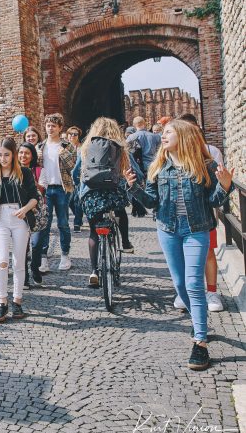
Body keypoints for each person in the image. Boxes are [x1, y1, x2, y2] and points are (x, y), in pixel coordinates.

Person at [125, 120, 234, 370]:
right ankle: (200, 322)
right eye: (162, 133)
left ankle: (200, 342)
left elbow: (213, 201)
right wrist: (134, 187)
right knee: (179, 284)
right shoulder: (159, 166)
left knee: (195, 283)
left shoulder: (204, 165)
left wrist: (225, 185)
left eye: (168, 132)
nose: (163, 137)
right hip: (168, 230)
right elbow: (152, 202)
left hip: (196, 230)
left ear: (183, 136)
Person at [0, 138, 39, 322]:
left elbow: (34, 197)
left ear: (13, 155)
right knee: (2, 261)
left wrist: (25, 209)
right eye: (0, 155)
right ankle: (2, 302)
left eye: (7, 154)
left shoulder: (24, 173)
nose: (3, 158)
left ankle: (17, 301)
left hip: (20, 218)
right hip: (0, 220)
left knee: (18, 261)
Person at [73, 117, 132, 288]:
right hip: (113, 191)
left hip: (91, 194)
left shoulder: (85, 148)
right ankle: (126, 242)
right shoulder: (119, 147)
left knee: (93, 232)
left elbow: (76, 171)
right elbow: (129, 169)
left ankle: (94, 271)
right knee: (120, 211)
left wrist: (81, 188)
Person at [175, 114, 225, 313]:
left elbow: (217, 185)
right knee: (182, 255)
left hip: (203, 214)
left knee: (208, 253)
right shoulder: (172, 153)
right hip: (178, 216)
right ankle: (186, 292)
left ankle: (211, 291)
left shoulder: (211, 152)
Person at [35, 113, 77, 272]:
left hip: (62, 188)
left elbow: (72, 165)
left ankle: (65, 255)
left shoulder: (68, 146)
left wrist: (62, 153)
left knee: (63, 223)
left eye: (53, 125)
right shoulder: (40, 146)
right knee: (44, 223)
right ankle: (43, 257)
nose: (50, 128)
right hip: (45, 189)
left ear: (60, 128)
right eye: (48, 125)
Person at [18, 142, 45, 286]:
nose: (23, 155)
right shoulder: (13, 170)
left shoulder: (39, 170)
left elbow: (42, 189)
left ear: (32, 155)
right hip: (20, 212)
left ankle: (35, 267)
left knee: (36, 243)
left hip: (36, 211)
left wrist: (30, 178)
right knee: (22, 245)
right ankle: (25, 275)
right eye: (21, 152)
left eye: (27, 153)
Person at [66, 126, 84, 231]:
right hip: (67, 178)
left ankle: (77, 223)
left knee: (78, 200)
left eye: (75, 134)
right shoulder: (64, 148)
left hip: (79, 177)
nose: (73, 136)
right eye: (71, 134)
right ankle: (79, 216)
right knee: (70, 201)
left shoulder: (82, 148)